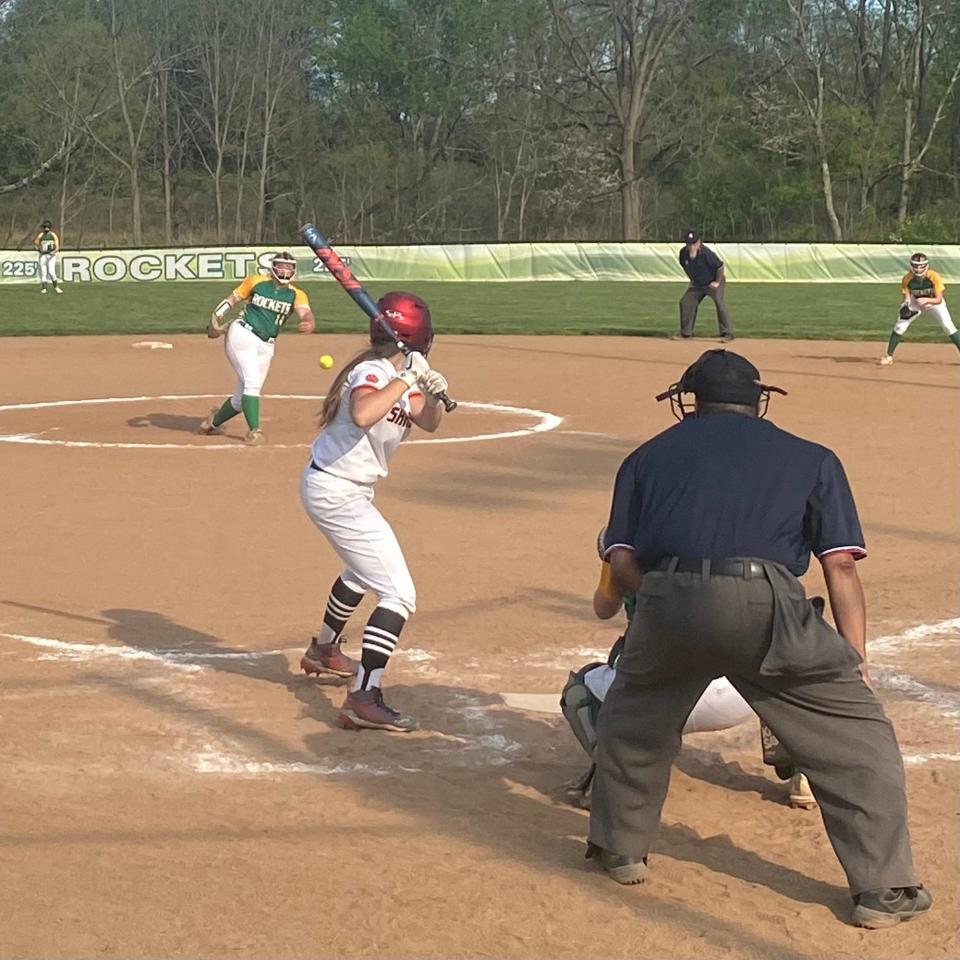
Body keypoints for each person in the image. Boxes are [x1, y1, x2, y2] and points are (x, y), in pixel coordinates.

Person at [586, 348, 932, 930]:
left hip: (667, 595)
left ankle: (620, 850)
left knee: (634, 718)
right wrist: (856, 659)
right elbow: (840, 565)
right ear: (758, 399)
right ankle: (883, 891)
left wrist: (671, 595)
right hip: (765, 599)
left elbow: (619, 559)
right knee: (858, 736)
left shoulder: (646, 457)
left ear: (690, 399)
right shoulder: (812, 457)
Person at [560, 528, 815, 812]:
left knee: (580, 688)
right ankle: (803, 773)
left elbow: (604, 607)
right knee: (788, 661)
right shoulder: (730, 537)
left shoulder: (625, 538)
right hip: (739, 695)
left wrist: (612, 561)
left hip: (655, 693)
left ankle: (611, 781)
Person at [298, 292, 449, 732]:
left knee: (361, 571)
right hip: (335, 491)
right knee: (399, 593)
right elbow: (364, 413)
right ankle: (364, 696)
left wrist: (432, 391)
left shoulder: (396, 376)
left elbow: (430, 421)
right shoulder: (372, 372)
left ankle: (324, 650)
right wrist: (405, 380)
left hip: (347, 491)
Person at [199, 251, 315, 445]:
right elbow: (233, 299)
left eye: (289, 267)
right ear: (273, 267)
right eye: (281, 265)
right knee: (251, 383)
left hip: (267, 345)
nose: (285, 270)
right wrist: (216, 317)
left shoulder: (296, 294)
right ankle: (255, 431)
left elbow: (306, 313)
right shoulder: (257, 282)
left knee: (240, 399)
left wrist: (309, 322)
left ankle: (212, 422)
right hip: (242, 334)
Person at [879, 252, 960, 365]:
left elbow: (939, 299)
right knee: (900, 326)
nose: (918, 268)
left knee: (948, 326)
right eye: (915, 265)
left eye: (921, 265)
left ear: (926, 265)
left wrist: (926, 300)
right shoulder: (907, 278)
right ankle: (888, 356)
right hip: (915, 302)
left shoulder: (933, 276)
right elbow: (907, 296)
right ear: (911, 265)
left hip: (933, 302)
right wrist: (906, 305)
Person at [674, 229, 734, 341]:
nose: (691, 246)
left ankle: (727, 333)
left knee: (719, 303)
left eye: (693, 243)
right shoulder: (683, 254)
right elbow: (685, 266)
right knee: (686, 302)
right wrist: (692, 280)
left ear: (699, 243)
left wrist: (717, 282)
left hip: (713, 282)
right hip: (697, 284)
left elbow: (720, 266)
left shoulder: (706, 253)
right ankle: (686, 333)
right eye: (688, 243)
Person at [34, 219, 62, 294]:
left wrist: (54, 251)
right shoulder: (41, 235)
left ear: (50, 227)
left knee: (52, 272)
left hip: (51, 256)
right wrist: (39, 249)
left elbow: (57, 246)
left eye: (47, 227)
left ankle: (56, 287)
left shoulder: (53, 235)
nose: (46, 228)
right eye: (45, 227)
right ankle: (44, 288)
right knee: (43, 272)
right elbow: (36, 243)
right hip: (43, 255)